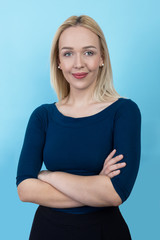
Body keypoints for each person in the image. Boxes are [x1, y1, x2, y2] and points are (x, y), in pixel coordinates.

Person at [16, 15, 141, 240]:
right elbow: (25, 189)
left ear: (102, 57)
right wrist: (95, 187)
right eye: (68, 53)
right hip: (47, 232)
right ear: (58, 61)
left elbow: (115, 192)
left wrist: (50, 176)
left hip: (104, 232)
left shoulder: (124, 112)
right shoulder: (42, 116)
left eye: (88, 52)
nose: (78, 64)